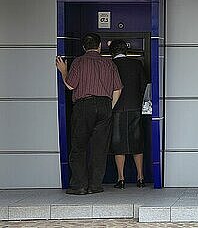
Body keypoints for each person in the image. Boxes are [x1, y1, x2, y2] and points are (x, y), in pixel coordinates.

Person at [55, 33, 123, 195]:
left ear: (84, 47)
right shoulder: (109, 63)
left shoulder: (79, 62)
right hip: (105, 105)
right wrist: (109, 107)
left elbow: (71, 85)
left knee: (79, 147)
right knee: (100, 148)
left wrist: (63, 71)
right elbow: (118, 88)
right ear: (99, 46)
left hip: (83, 106)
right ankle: (95, 186)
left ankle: (79, 186)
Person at [109, 39, 148, 189]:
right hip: (134, 108)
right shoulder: (136, 64)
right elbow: (144, 85)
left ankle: (121, 179)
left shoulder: (110, 65)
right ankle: (140, 177)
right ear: (125, 50)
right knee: (137, 143)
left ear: (112, 52)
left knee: (118, 144)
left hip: (116, 108)